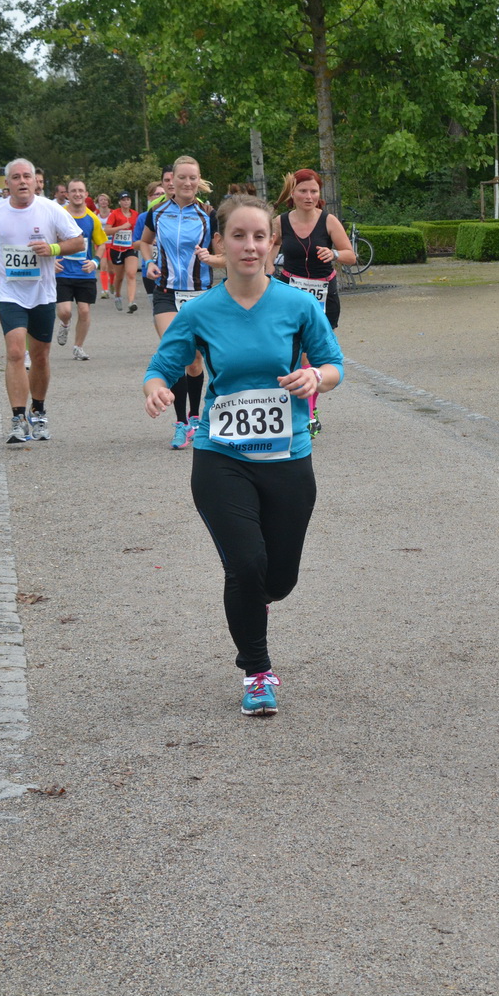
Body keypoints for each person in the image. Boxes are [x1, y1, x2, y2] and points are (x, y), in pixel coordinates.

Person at [143, 195, 342, 716]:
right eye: (238, 236)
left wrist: (316, 376)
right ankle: (257, 671)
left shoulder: (298, 305)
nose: (249, 246)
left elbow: (333, 364)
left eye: (259, 237)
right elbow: (163, 363)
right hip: (220, 455)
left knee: (279, 579)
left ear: (273, 244)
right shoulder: (200, 310)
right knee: (246, 565)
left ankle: (256, 600)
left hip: (288, 455)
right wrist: (155, 388)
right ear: (220, 244)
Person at [0, 158, 86, 443]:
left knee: (41, 356)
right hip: (10, 293)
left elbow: (79, 241)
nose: (22, 181)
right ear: (6, 184)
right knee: (14, 352)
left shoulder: (50, 209)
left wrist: (53, 248)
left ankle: (39, 411)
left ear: (35, 181)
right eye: (16, 177)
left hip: (43, 293)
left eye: (27, 177)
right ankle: (18, 418)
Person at [138, 156, 217, 449]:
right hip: (166, 292)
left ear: (199, 180)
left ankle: (196, 417)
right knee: (176, 352)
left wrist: (213, 257)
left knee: (196, 361)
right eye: (181, 178)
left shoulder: (208, 214)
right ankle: (180, 422)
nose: (186, 183)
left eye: (192, 178)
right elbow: (145, 242)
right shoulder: (157, 213)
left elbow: (222, 251)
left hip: (199, 293)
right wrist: (148, 262)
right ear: (170, 181)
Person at [274, 169, 358, 439]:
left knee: (314, 355)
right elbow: (267, 254)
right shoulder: (281, 222)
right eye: (303, 191)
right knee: (295, 353)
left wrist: (333, 252)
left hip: (324, 296)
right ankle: (304, 412)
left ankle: (310, 412)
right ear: (292, 194)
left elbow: (350, 256)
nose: (309, 196)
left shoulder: (328, 221)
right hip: (291, 295)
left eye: (314, 191)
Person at [54, 180, 101, 360]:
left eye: (81, 191)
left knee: (84, 311)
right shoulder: (59, 214)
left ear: (86, 193)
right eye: (73, 191)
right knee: (65, 311)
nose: (77, 194)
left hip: (84, 272)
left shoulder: (92, 218)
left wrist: (95, 262)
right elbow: (48, 237)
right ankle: (65, 324)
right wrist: (51, 260)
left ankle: (78, 347)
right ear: (67, 194)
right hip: (63, 271)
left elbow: (102, 244)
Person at [103, 192, 140, 312]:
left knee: (131, 274)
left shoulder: (135, 214)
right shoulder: (115, 214)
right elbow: (107, 231)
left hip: (130, 248)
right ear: (120, 202)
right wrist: (121, 227)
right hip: (117, 249)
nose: (126, 202)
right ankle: (118, 295)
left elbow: (139, 230)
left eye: (128, 199)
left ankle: (131, 302)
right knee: (119, 277)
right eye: (123, 200)